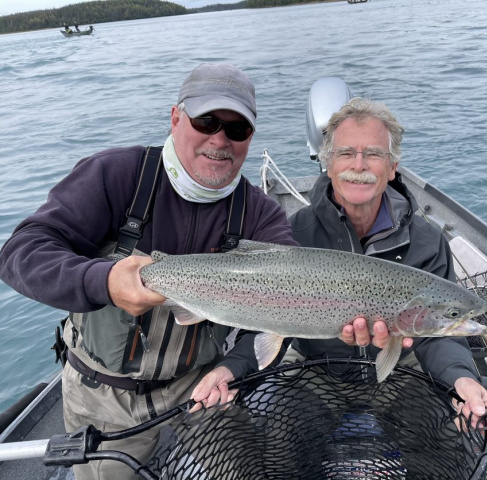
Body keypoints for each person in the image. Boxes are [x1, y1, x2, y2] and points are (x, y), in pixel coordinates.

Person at [0, 63, 297, 480]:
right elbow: (21, 252)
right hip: (101, 395)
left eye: (236, 130)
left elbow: (289, 303)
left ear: (250, 137)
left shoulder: (260, 214)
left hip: (200, 384)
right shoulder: (116, 176)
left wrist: (232, 367)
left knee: (245, 469)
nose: (219, 139)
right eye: (206, 120)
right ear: (176, 117)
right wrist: (102, 281)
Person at [286, 97, 487, 431]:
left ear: (392, 166)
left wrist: (462, 379)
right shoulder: (292, 232)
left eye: (373, 154)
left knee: (449, 433)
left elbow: (439, 335)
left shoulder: (428, 241)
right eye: (346, 153)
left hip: (402, 369)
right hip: (314, 369)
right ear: (327, 164)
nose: (359, 165)